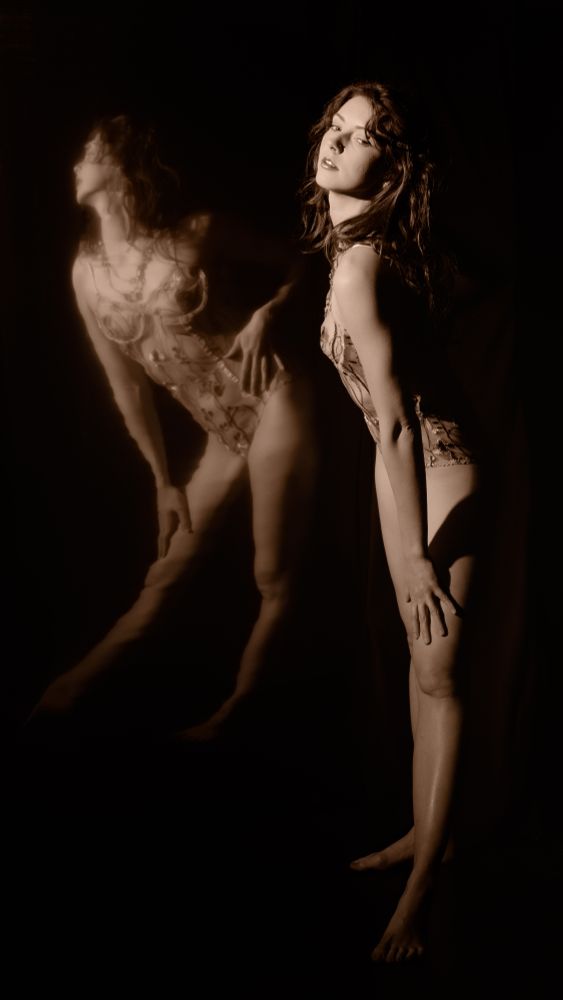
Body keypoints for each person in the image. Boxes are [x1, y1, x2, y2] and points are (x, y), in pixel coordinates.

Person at [29, 114, 317, 739]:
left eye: (90, 151)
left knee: (271, 572)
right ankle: (63, 696)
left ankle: (239, 711)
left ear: (123, 168)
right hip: (219, 428)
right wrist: (163, 480)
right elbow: (125, 386)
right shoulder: (87, 274)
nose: (78, 162)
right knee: (165, 574)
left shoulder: (195, 235)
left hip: (274, 398)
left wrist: (269, 312)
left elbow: (300, 263)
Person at [301, 81, 482, 962]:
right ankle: (424, 831)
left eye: (362, 136)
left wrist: (411, 554)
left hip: (438, 465)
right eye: (335, 128)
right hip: (396, 468)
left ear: (390, 165)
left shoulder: (362, 260)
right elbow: (379, 428)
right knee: (419, 665)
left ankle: (424, 885)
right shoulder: (345, 248)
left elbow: (404, 421)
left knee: (440, 669)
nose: (338, 143)